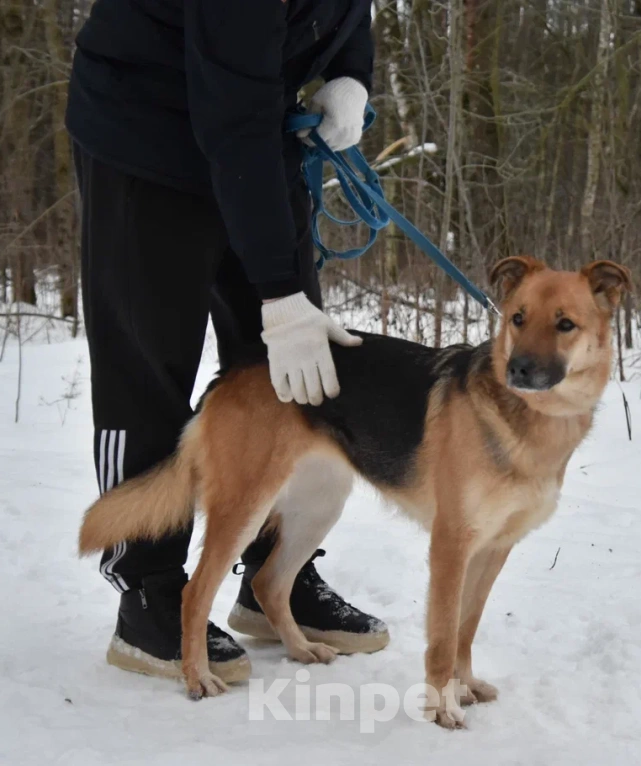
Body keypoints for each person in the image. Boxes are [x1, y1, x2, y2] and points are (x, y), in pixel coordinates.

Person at [66, 0, 389, 681]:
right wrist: (279, 291)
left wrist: (350, 75)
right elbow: (230, 117)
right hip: (144, 134)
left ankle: (273, 574)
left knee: (291, 372)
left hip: (251, 122)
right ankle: (147, 587)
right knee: (148, 369)